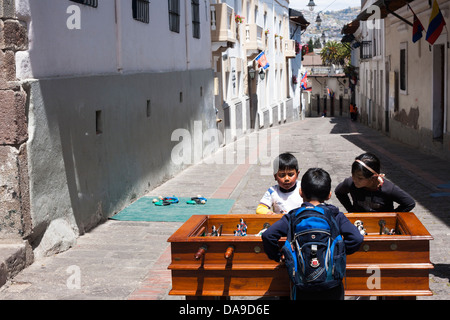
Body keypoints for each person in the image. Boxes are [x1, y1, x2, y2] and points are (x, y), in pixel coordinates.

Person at [262, 168, 364, 300]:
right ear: (329, 195)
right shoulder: (335, 215)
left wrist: (278, 256)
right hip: (331, 285)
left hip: (302, 284)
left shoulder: (292, 216)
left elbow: (268, 235)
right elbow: (356, 238)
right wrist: (339, 253)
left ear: (300, 192)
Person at [335, 152, 415, 213]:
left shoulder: (388, 189)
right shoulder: (351, 183)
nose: (354, 180)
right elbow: (339, 192)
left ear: (373, 178)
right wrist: (351, 210)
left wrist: (392, 216)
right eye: (353, 175)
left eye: (360, 178)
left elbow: (409, 203)